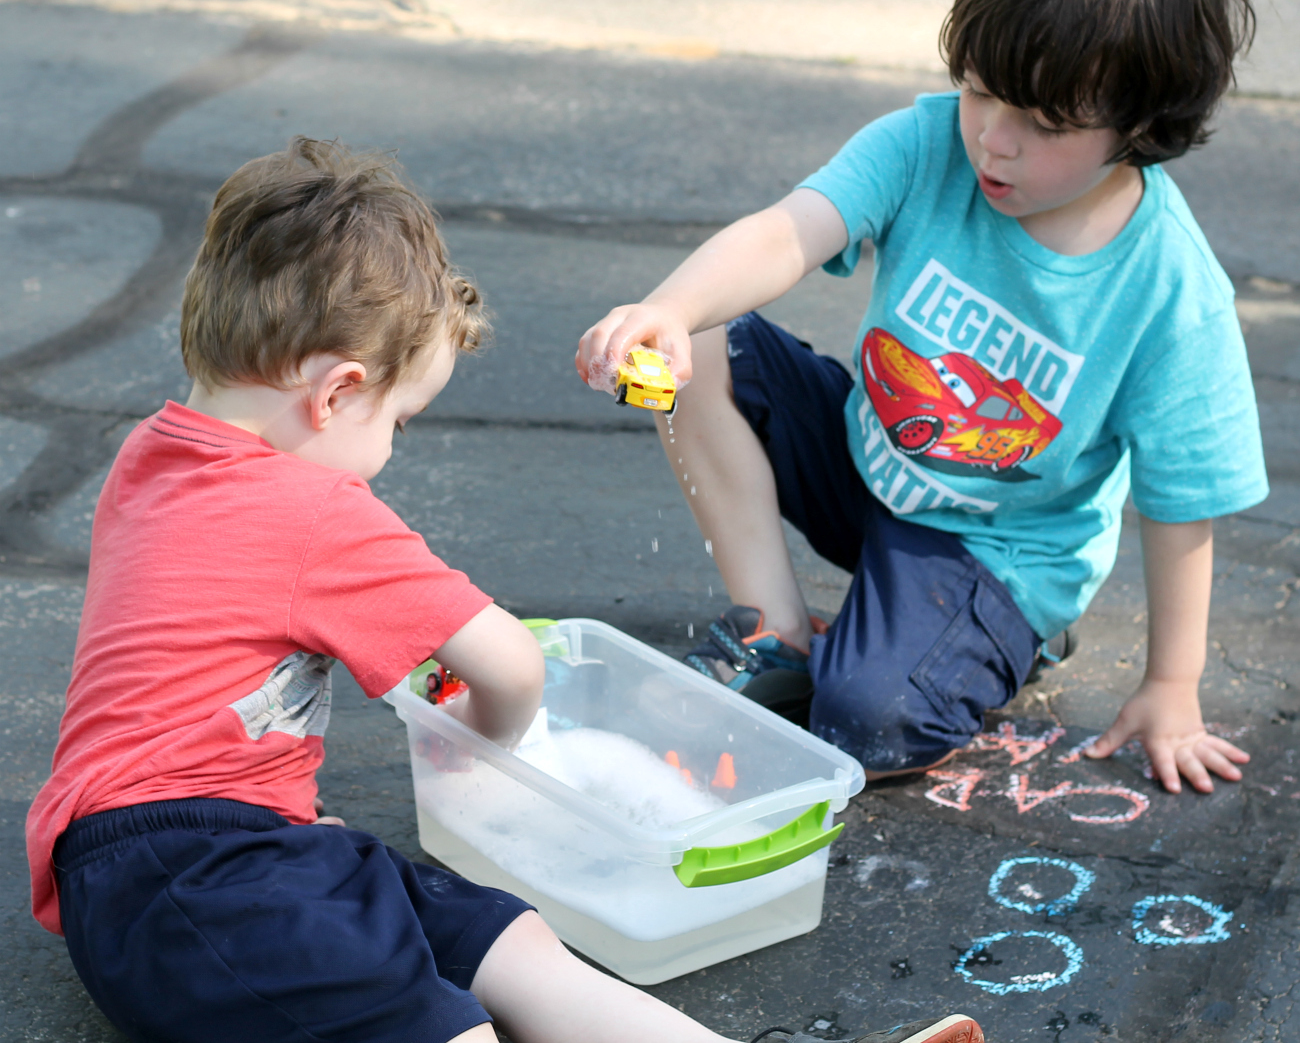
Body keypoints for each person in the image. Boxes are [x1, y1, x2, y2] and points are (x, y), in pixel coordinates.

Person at [26, 138, 982, 1043]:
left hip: (210, 856)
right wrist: (486, 749)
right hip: (186, 879)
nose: (390, 448)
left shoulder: (153, 453)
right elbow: (513, 666)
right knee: (454, 1025)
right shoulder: (317, 512)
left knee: (505, 945)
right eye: (400, 418)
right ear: (336, 393)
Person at [577, 0, 1268, 796]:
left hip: (994, 553)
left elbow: (1186, 500)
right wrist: (669, 309)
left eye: (1046, 125)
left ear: (1140, 131)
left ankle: (984, 637)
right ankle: (774, 629)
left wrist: (1171, 685)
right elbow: (789, 231)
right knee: (704, 340)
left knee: (865, 720)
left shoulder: (1170, 290)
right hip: (875, 464)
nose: (994, 139)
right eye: (980, 90)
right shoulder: (926, 142)